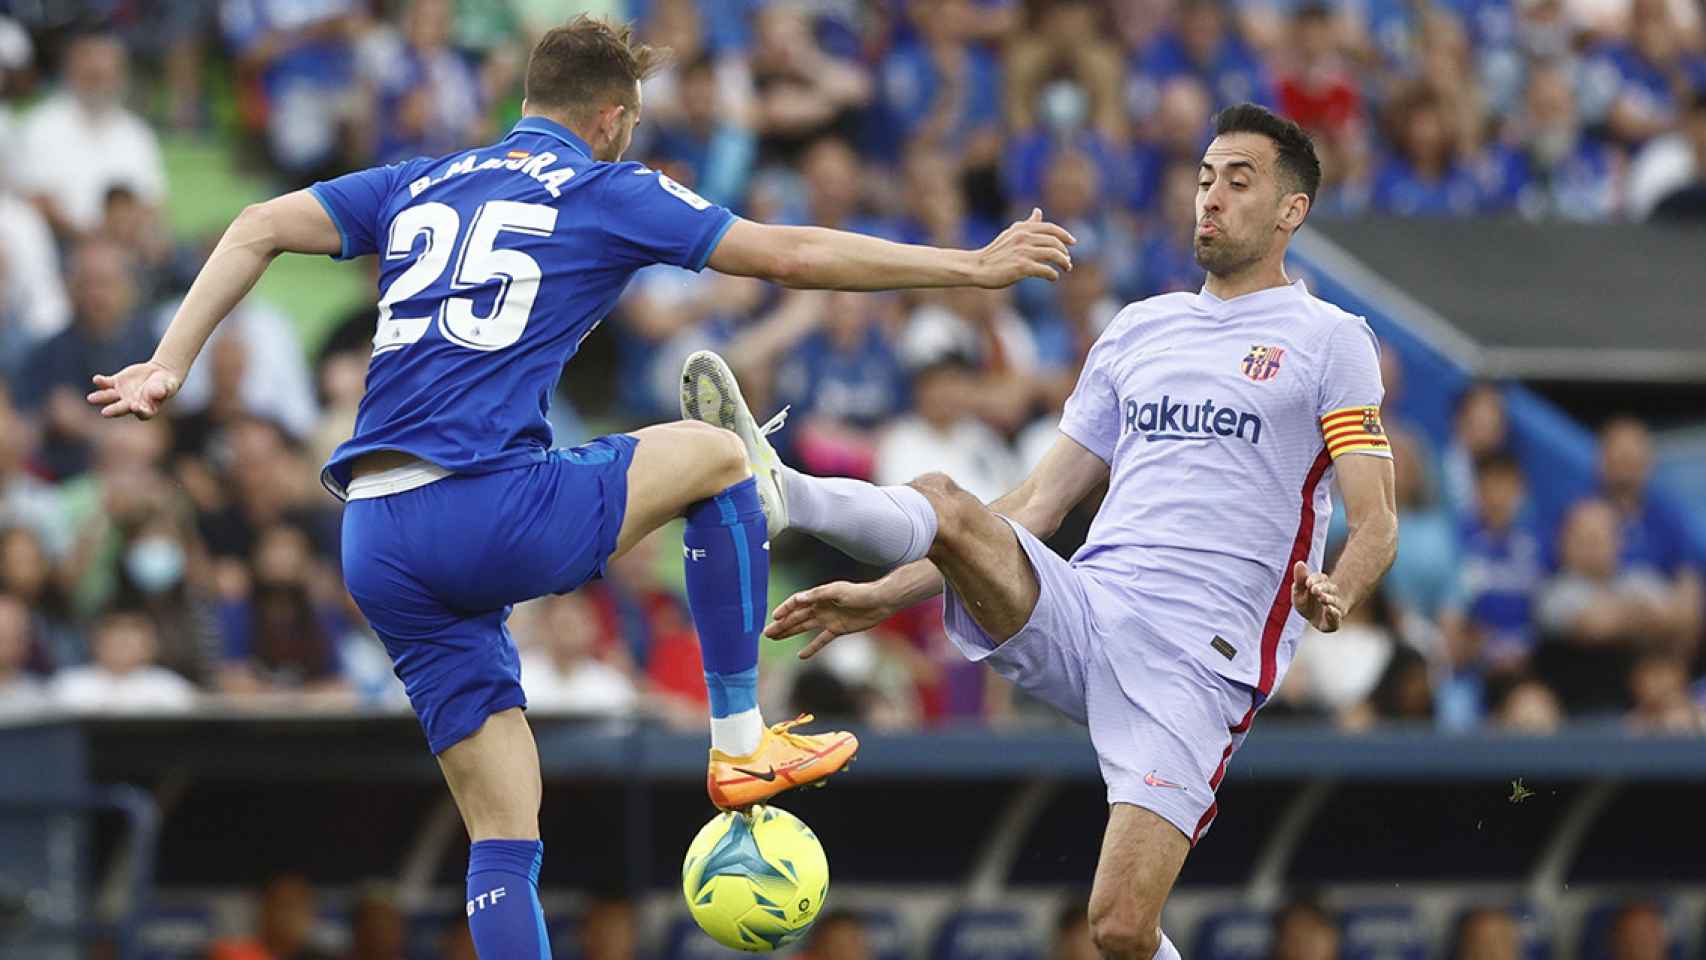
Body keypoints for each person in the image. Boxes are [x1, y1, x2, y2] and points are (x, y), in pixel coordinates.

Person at [87, 17, 1073, 960]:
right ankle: (739, 743)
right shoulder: (605, 187)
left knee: (503, 832)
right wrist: (969, 266)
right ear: (612, 118)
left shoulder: (423, 178)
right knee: (720, 455)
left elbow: (256, 221)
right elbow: (788, 253)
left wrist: (166, 362)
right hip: (483, 503)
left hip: (375, 537)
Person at [691, 104, 1396, 960]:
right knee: (951, 503)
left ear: (1292, 210)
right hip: (1089, 606)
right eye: (1205, 178)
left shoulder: (1330, 341)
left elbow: (1378, 519)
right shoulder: (1138, 329)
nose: (1210, 198)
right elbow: (1034, 504)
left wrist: (1341, 590)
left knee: (1120, 928)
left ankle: (785, 491)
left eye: (1238, 182)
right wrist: (884, 595)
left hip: (1197, 663)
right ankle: (785, 493)